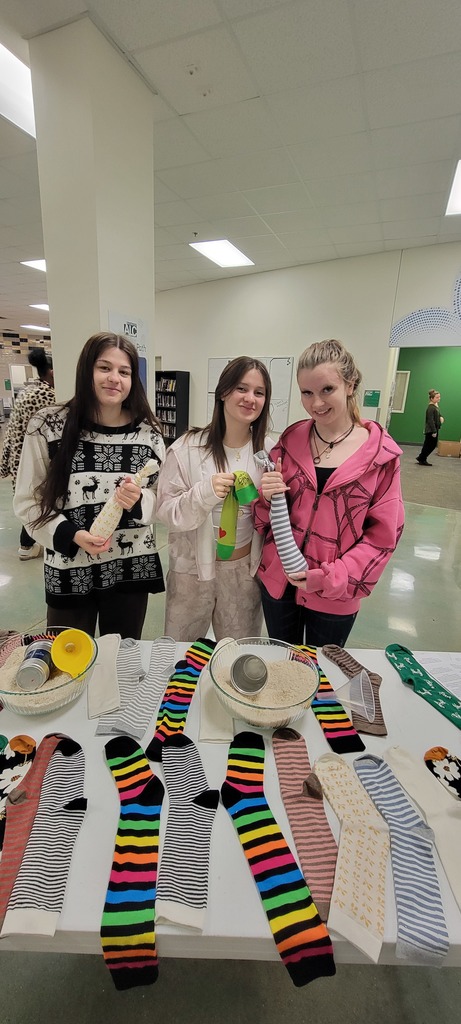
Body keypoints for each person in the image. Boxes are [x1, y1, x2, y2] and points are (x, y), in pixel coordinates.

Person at [253, 339, 404, 648]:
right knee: (282, 669)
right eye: (307, 393)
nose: (316, 403)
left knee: (323, 675)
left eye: (327, 390)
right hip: (278, 584)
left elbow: (383, 538)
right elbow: (265, 518)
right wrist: (266, 498)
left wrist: (329, 577)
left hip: (336, 593)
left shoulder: (380, 455)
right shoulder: (291, 440)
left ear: (350, 385)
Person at [13, 332, 165, 638]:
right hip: (69, 569)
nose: (114, 379)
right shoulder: (48, 425)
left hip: (130, 566)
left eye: (124, 372)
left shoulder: (149, 432)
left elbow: (161, 497)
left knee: (121, 659)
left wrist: (138, 500)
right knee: (68, 665)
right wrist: (71, 535)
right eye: (104, 368)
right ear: (87, 371)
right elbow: (28, 502)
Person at [156, 356, 273, 641]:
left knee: (239, 650)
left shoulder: (270, 451)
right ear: (223, 392)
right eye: (241, 389)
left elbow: (279, 520)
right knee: (182, 650)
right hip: (191, 571)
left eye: (259, 392)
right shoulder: (187, 448)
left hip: (244, 572)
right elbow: (164, 510)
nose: (250, 399)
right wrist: (203, 494)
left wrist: (272, 500)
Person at [1, 347, 55, 560]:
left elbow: (11, 432)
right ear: (51, 372)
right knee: (40, 501)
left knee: (31, 499)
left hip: (19, 457)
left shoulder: (26, 393)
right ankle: (27, 544)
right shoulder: (49, 396)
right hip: (38, 459)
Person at [416, 389, 444, 466]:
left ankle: (422, 458)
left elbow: (438, 415)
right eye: (437, 397)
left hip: (434, 429)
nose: (439, 399)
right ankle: (422, 458)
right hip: (431, 430)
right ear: (432, 398)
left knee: (428, 444)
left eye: (439, 397)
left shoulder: (434, 407)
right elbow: (430, 420)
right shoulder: (431, 408)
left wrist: (441, 417)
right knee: (430, 445)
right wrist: (434, 431)